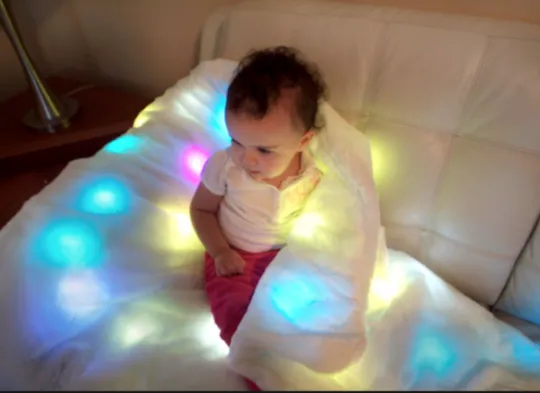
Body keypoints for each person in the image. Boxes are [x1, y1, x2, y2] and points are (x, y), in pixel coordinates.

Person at [189, 46, 328, 391]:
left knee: (310, 310)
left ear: (303, 141)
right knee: (235, 310)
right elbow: (201, 209)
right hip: (234, 255)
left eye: (264, 150)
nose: (247, 159)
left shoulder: (313, 172)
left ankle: (298, 365)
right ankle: (261, 377)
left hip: (285, 257)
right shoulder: (225, 167)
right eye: (236, 140)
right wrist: (220, 252)